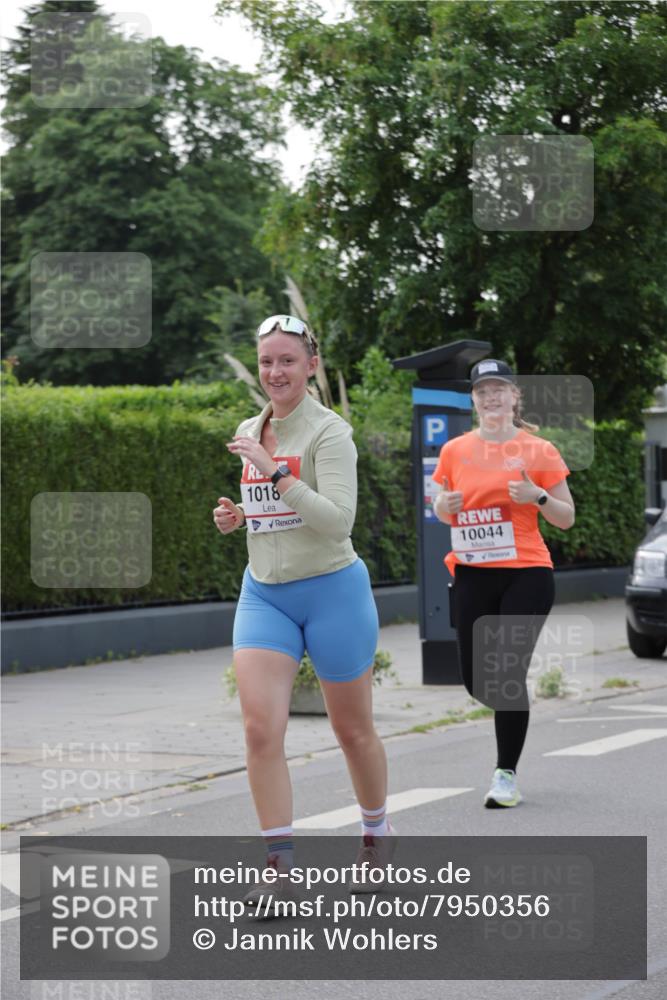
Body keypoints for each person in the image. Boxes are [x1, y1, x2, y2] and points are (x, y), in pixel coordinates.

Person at [213, 314, 395, 906]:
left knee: (351, 730)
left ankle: (375, 834)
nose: (274, 372)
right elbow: (275, 510)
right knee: (260, 728)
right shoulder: (249, 425)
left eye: (287, 360)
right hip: (264, 591)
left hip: (332, 591)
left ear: (310, 365)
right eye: (266, 361)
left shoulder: (329, 433)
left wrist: (273, 472)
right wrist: (238, 517)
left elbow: (337, 520)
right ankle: (278, 867)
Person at [432, 359, 575, 808]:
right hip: (472, 571)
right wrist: (443, 503)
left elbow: (566, 518)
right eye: (482, 391)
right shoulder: (455, 450)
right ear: (472, 399)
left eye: (500, 389)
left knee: (508, 673)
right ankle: (510, 721)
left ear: (515, 396)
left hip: (527, 572)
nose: (491, 397)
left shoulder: (540, 450)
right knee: (478, 681)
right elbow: (441, 507)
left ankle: (505, 775)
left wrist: (539, 496)